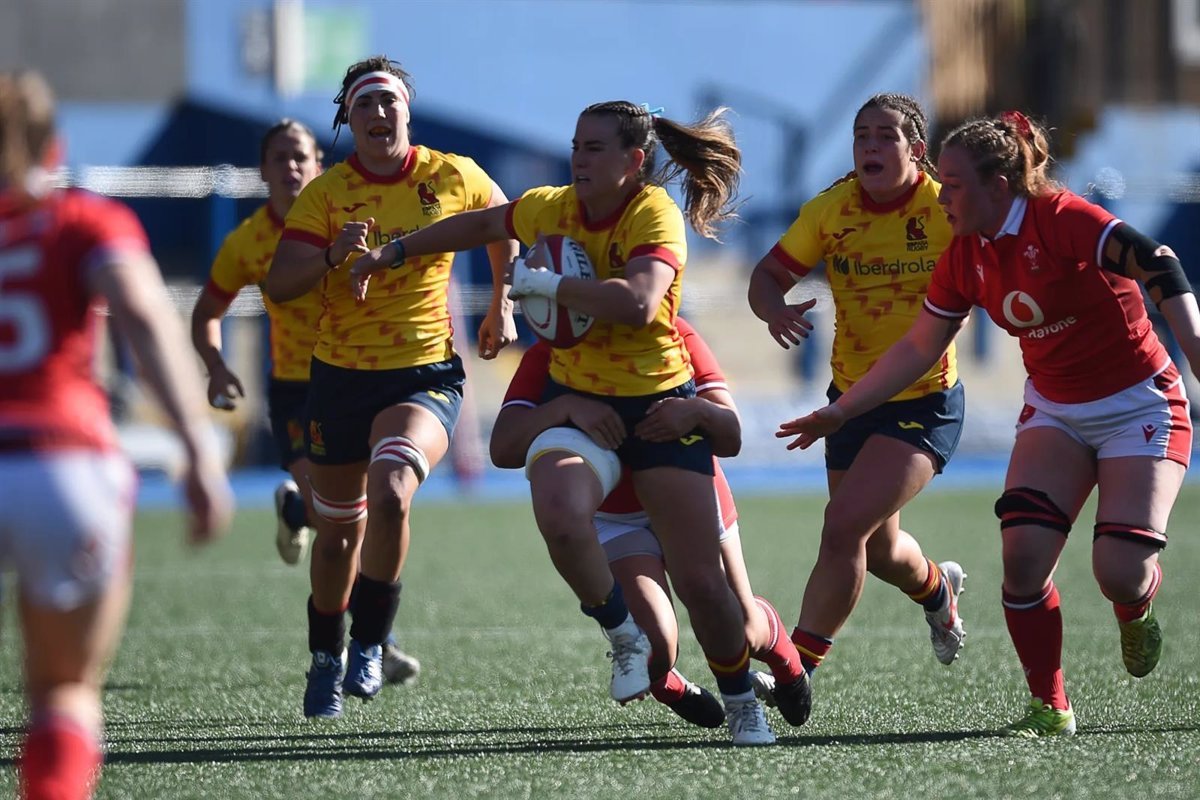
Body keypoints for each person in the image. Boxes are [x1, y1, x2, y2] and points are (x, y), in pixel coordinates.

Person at [351, 100, 776, 745]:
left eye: (596, 148)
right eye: (576, 145)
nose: (579, 158)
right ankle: (621, 634)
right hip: (582, 401)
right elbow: (478, 226)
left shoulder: (652, 212)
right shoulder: (552, 206)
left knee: (701, 585)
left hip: (658, 404)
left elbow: (636, 305)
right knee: (555, 504)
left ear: (635, 162)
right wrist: (396, 250)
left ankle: (743, 700)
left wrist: (547, 288)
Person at [777, 110, 1198, 738]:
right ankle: (1050, 706)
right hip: (1055, 410)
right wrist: (841, 410)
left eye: (952, 184)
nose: (940, 196)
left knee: (1118, 570)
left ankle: (1135, 608)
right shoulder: (964, 255)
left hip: (1140, 403)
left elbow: (1160, 263)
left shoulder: (1061, 219)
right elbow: (917, 349)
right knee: (1023, 560)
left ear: (999, 185)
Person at [0, 70, 233, 799]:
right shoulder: (85, 220)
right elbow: (143, 317)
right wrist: (196, 445)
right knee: (65, 691)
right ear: (55, 144)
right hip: (63, 467)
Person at [265, 56, 517, 719]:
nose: (378, 114)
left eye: (388, 101)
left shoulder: (451, 173)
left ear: (409, 109)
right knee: (338, 534)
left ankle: (370, 644)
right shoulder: (326, 195)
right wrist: (326, 256)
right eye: (363, 105)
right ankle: (326, 656)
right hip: (340, 378)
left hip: (423, 372)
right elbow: (280, 282)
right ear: (347, 119)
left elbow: (504, 223)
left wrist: (502, 301)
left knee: (395, 487)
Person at [746, 94, 967, 722]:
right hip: (850, 397)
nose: (870, 145)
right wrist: (775, 309)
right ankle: (939, 591)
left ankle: (795, 668)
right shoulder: (831, 210)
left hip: (925, 402)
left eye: (886, 135)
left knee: (843, 526)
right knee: (876, 548)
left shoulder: (944, 208)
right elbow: (766, 275)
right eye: (861, 135)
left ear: (917, 151)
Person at [490, 318, 809, 730]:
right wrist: (565, 408)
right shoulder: (556, 350)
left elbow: (730, 436)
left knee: (742, 630)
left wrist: (693, 409)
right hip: (619, 515)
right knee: (652, 650)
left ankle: (786, 660)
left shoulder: (673, 335)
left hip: (688, 492)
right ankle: (670, 685)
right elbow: (503, 446)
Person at [191, 119, 324, 567]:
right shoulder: (247, 241)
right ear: (263, 170)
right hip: (295, 389)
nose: (291, 165)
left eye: (300, 156)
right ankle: (298, 507)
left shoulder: (346, 217)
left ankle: (371, 630)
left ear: (319, 165)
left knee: (362, 508)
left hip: (356, 377)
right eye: (279, 157)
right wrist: (216, 367)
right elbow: (207, 312)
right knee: (336, 514)